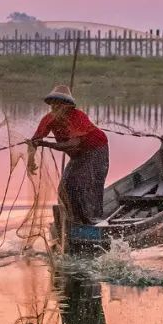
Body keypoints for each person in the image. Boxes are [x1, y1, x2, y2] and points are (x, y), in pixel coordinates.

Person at [29, 84, 109, 224]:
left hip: (96, 150)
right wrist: (31, 161)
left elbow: (73, 143)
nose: (56, 107)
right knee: (65, 187)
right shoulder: (48, 119)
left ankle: (91, 220)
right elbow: (34, 141)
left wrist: (47, 144)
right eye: (53, 104)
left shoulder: (78, 116)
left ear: (67, 106)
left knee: (85, 183)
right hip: (77, 155)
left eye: (60, 104)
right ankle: (71, 221)